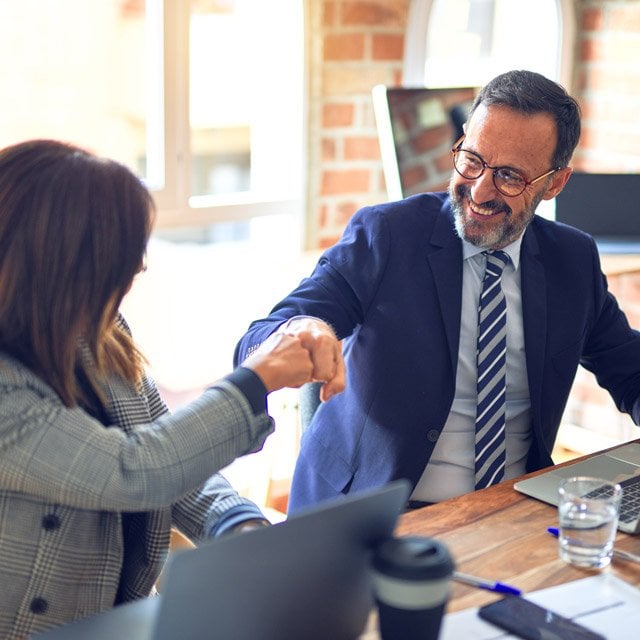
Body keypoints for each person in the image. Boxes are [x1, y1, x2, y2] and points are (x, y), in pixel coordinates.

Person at [234, 69, 640, 514]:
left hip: (512, 509)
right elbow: (261, 336)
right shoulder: (386, 235)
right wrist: (301, 329)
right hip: (375, 513)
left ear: (554, 183)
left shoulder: (573, 260)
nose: (480, 190)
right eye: (472, 159)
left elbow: (630, 371)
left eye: (509, 176)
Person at [0, 139, 328, 639]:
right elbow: (135, 469)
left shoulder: (100, 333)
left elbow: (173, 453)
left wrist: (236, 524)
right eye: (123, 250)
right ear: (60, 263)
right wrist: (255, 379)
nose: (139, 267)